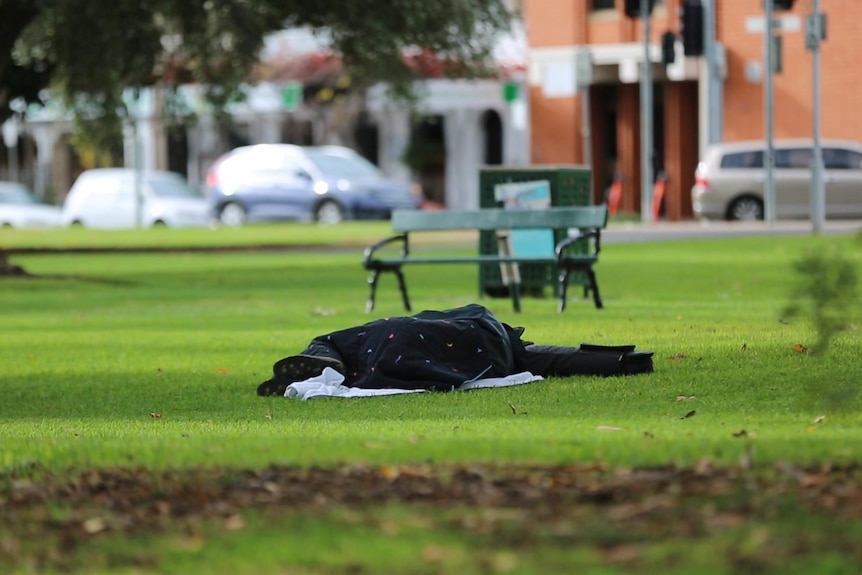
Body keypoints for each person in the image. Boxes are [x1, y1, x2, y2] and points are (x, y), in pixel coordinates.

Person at [257, 303, 653, 397]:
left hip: (392, 333)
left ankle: (326, 361)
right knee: (359, 348)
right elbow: (561, 358)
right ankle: (329, 363)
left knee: (340, 341)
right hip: (415, 345)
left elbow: (558, 356)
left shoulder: (482, 323)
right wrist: (628, 361)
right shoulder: (511, 348)